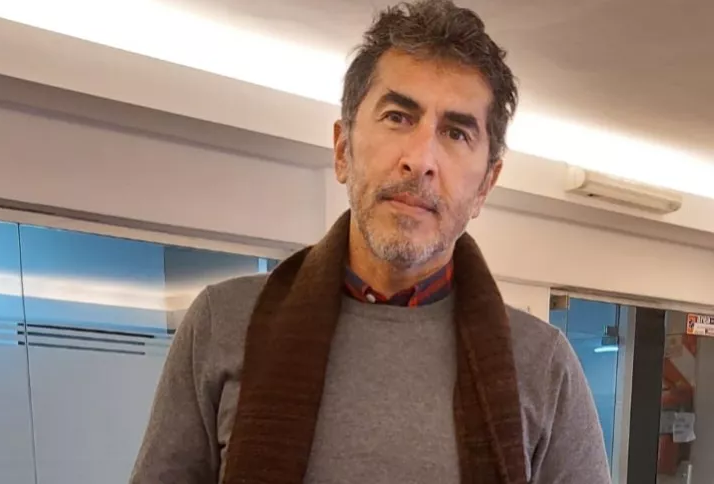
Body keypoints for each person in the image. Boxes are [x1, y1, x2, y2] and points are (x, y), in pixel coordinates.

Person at [130, 1, 611, 483]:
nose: (421, 159)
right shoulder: (222, 324)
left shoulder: (543, 366)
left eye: (456, 133)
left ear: (485, 185)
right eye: (398, 117)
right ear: (343, 150)